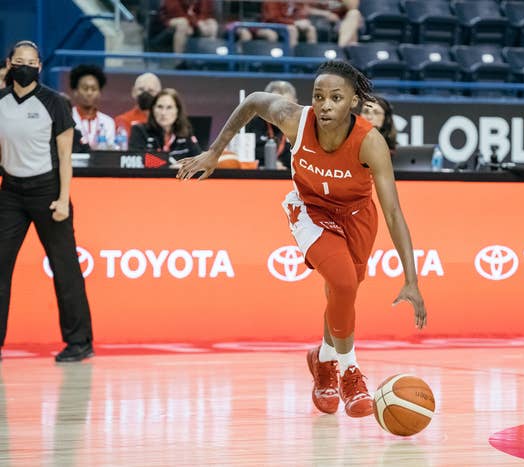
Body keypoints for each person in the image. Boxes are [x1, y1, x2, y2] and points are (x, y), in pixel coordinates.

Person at [176, 61, 427, 418]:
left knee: (344, 290)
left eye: (336, 98)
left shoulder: (371, 142)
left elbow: (393, 214)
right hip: (311, 210)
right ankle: (349, 371)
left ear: (353, 102)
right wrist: (216, 152)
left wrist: (412, 280)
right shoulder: (294, 118)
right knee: (341, 281)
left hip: (357, 217)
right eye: (319, 96)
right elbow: (252, 102)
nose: (325, 104)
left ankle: (322, 360)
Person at [0, 40, 94, 362]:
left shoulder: (54, 102)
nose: (25, 65)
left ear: (40, 67)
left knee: (65, 267)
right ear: (9, 63)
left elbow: (66, 156)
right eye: (19, 60)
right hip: (10, 192)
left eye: (32, 61)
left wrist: (64, 199)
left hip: (48, 191)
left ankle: (79, 342)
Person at [129, 88, 201, 161]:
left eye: (169, 107)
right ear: (153, 109)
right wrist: (169, 165)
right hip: (151, 172)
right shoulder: (139, 130)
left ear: (177, 110)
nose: (163, 113)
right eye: (160, 107)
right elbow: (137, 160)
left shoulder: (186, 133)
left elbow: (198, 162)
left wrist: (180, 166)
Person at [245, 80, 297, 169]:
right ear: (265, 104)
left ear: (296, 103)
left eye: (288, 105)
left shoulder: (302, 128)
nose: (282, 111)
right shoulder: (250, 125)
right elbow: (238, 159)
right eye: (277, 106)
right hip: (257, 178)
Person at [69, 64, 115, 149]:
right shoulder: (67, 118)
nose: (89, 93)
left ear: (99, 93)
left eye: (94, 89)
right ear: (75, 91)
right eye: (85, 88)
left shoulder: (108, 122)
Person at [114, 72, 163, 138]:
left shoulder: (166, 120)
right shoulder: (123, 120)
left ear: (160, 94)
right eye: (141, 89)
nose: (145, 94)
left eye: (151, 91)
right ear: (133, 92)